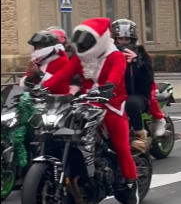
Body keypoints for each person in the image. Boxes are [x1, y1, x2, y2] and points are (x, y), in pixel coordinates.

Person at [42, 18, 139, 204]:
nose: (83, 45)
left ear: (99, 39)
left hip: (111, 104)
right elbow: (62, 75)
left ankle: (130, 182)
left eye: (87, 41)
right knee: (60, 131)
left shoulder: (116, 56)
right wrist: (42, 88)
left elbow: (116, 75)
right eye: (81, 41)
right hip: (85, 103)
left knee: (121, 146)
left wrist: (109, 87)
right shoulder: (80, 58)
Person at [111, 19, 166, 152]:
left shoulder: (141, 54)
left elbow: (148, 79)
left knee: (132, 103)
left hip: (137, 94)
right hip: (113, 94)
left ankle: (140, 137)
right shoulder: (109, 54)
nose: (124, 42)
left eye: (127, 39)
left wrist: (136, 63)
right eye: (120, 39)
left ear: (133, 39)